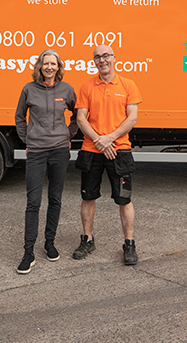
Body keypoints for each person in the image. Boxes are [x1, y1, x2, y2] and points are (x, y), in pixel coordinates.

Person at [72, 44, 142, 265]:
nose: (102, 60)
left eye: (106, 56)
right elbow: (81, 119)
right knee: (88, 197)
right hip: (91, 151)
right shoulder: (86, 87)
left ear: (114, 58)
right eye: (97, 57)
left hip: (119, 151)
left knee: (124, 199)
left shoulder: (128, 85)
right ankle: (87, 240)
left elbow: (132, 118)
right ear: (94, 61)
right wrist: (99, 141)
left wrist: (109, 138)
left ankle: (129, 244)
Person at [14, 49, 77, 274]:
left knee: (55, 198)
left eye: (53, 64)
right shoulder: (29, 89)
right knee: (33, 202)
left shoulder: (67, 89)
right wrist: (27, 139)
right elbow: (19, 117)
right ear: (40, 66)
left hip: (59, 150)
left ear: (58, 67)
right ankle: (28, 252)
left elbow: (78, 115)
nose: (49, 67)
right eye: (45, 63)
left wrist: (68, 135)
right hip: (37, 151)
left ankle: (50, 243)